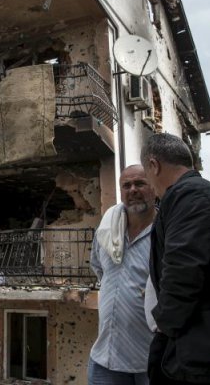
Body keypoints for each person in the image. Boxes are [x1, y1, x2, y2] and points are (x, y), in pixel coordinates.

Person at [140, 133, 210, 384]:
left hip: (193, 352)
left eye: (146, 178)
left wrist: (164, 322)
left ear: (154, 165)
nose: (150, 186)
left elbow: (184, 267)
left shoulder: (190, 196)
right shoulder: (192, 195)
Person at [88, 164, 157, 385]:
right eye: (126, 185)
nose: (133, 190)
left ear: (154, 187)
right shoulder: (108, 230)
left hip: (151, 358)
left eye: (140, 183)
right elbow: (98, 268)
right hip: (105, 358)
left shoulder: (164, 233)